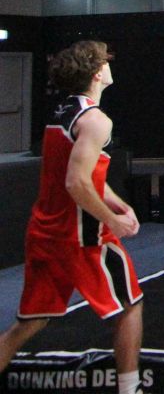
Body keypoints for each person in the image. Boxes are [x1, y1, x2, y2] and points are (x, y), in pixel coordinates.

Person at [0, 42, 146, 394]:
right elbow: (76, 182)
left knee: (30, 322)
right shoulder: (96, 120)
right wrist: (111, 221)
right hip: (82, 238)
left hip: (44, 233)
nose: (110, 65)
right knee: (131, 306)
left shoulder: (62, 112)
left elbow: (85, 172)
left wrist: (118, 203)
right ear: (96, 73)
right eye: (105, 61)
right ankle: (130, 389)